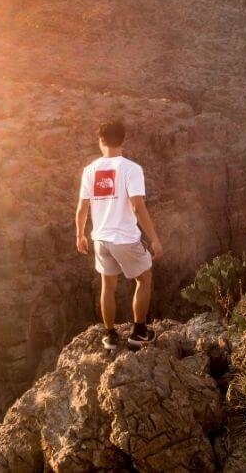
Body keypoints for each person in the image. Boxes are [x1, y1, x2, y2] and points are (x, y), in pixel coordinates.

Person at [75, 120, 163, 350]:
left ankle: (110, 336)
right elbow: (138, 206)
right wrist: (153, 238)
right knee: (144, 279)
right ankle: (139, 332)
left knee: (108, 285)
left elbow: (82, 208)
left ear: (100, 141)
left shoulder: (90, 170)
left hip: (100, 239)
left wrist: (80, 235)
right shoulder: (131, 169)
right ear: (123, 140)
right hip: (124, 238)